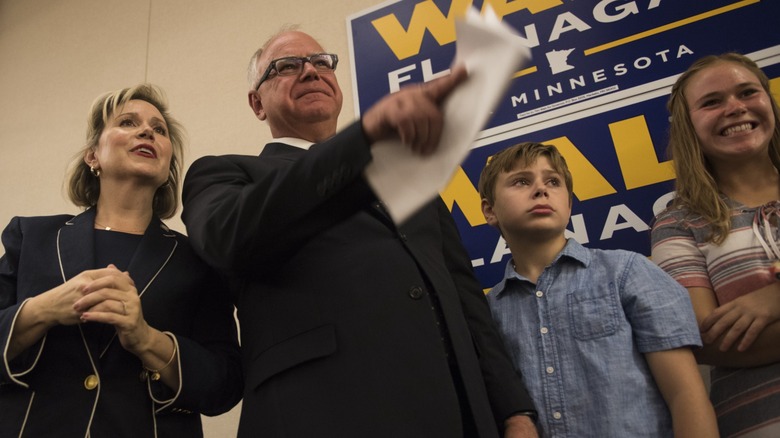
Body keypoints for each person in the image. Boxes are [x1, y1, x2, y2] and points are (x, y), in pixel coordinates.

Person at [181, 28, 538, 437]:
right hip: (322, 417)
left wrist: (514, 411)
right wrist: (364, 140)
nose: (311, 72)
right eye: (287, 66)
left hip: (458, 416)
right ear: (257, 102)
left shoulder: (409, 178)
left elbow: (466, 301)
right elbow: (229, 239)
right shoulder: (226, 173)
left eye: (321, 62)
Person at [0, 84, 243, 437]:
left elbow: (225, 385)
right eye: (127, 122)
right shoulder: (31, 237)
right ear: (92, 156)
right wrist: (43, 309)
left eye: (159, 130)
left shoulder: (200, 259)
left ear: (167, 165)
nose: (147, 131)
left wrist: (147, 340)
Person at [478, 141, 718, 437]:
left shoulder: (627, 272)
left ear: (568, 204)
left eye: (553, 181)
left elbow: (686, 395)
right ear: (489, 210)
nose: (541, 190)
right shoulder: (488, 314)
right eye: (521, 181)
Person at [651, 52, 780, 437]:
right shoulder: (676, 223)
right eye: (712, 102)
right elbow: (707, 341)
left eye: (747, 92)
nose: (735, 108)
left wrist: (771, 300)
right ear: (688, 126)